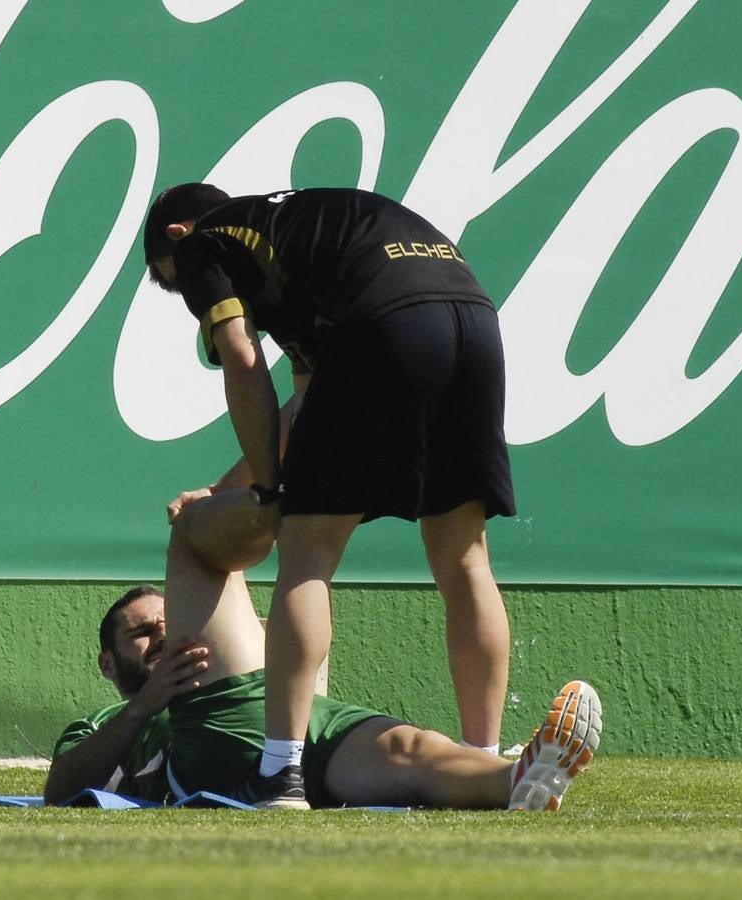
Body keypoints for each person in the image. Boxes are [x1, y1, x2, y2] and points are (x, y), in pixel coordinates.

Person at [143, 184, 516, 806]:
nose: (190, 295)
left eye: (175, 283)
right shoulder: (295, 247)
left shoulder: (208, 243)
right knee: (464, 556)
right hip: (473, 316)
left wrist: (267, 491)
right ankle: (482, 766)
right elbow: (307, 402)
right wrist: (229, 486)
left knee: (308, 553)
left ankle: (279, 772)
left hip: (382, 324)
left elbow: (240, 357)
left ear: (178, 237)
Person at [44, 488, 601, 811]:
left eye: (170, 618)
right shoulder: (106, 720)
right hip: (219, 724)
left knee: (413, 749)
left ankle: (515, 779)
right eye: (143, 632)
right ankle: (274, 495)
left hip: (313, 721)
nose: (163, 632)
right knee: (195, 532)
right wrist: (148, 705)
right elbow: (60, 788)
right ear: (108, 663)